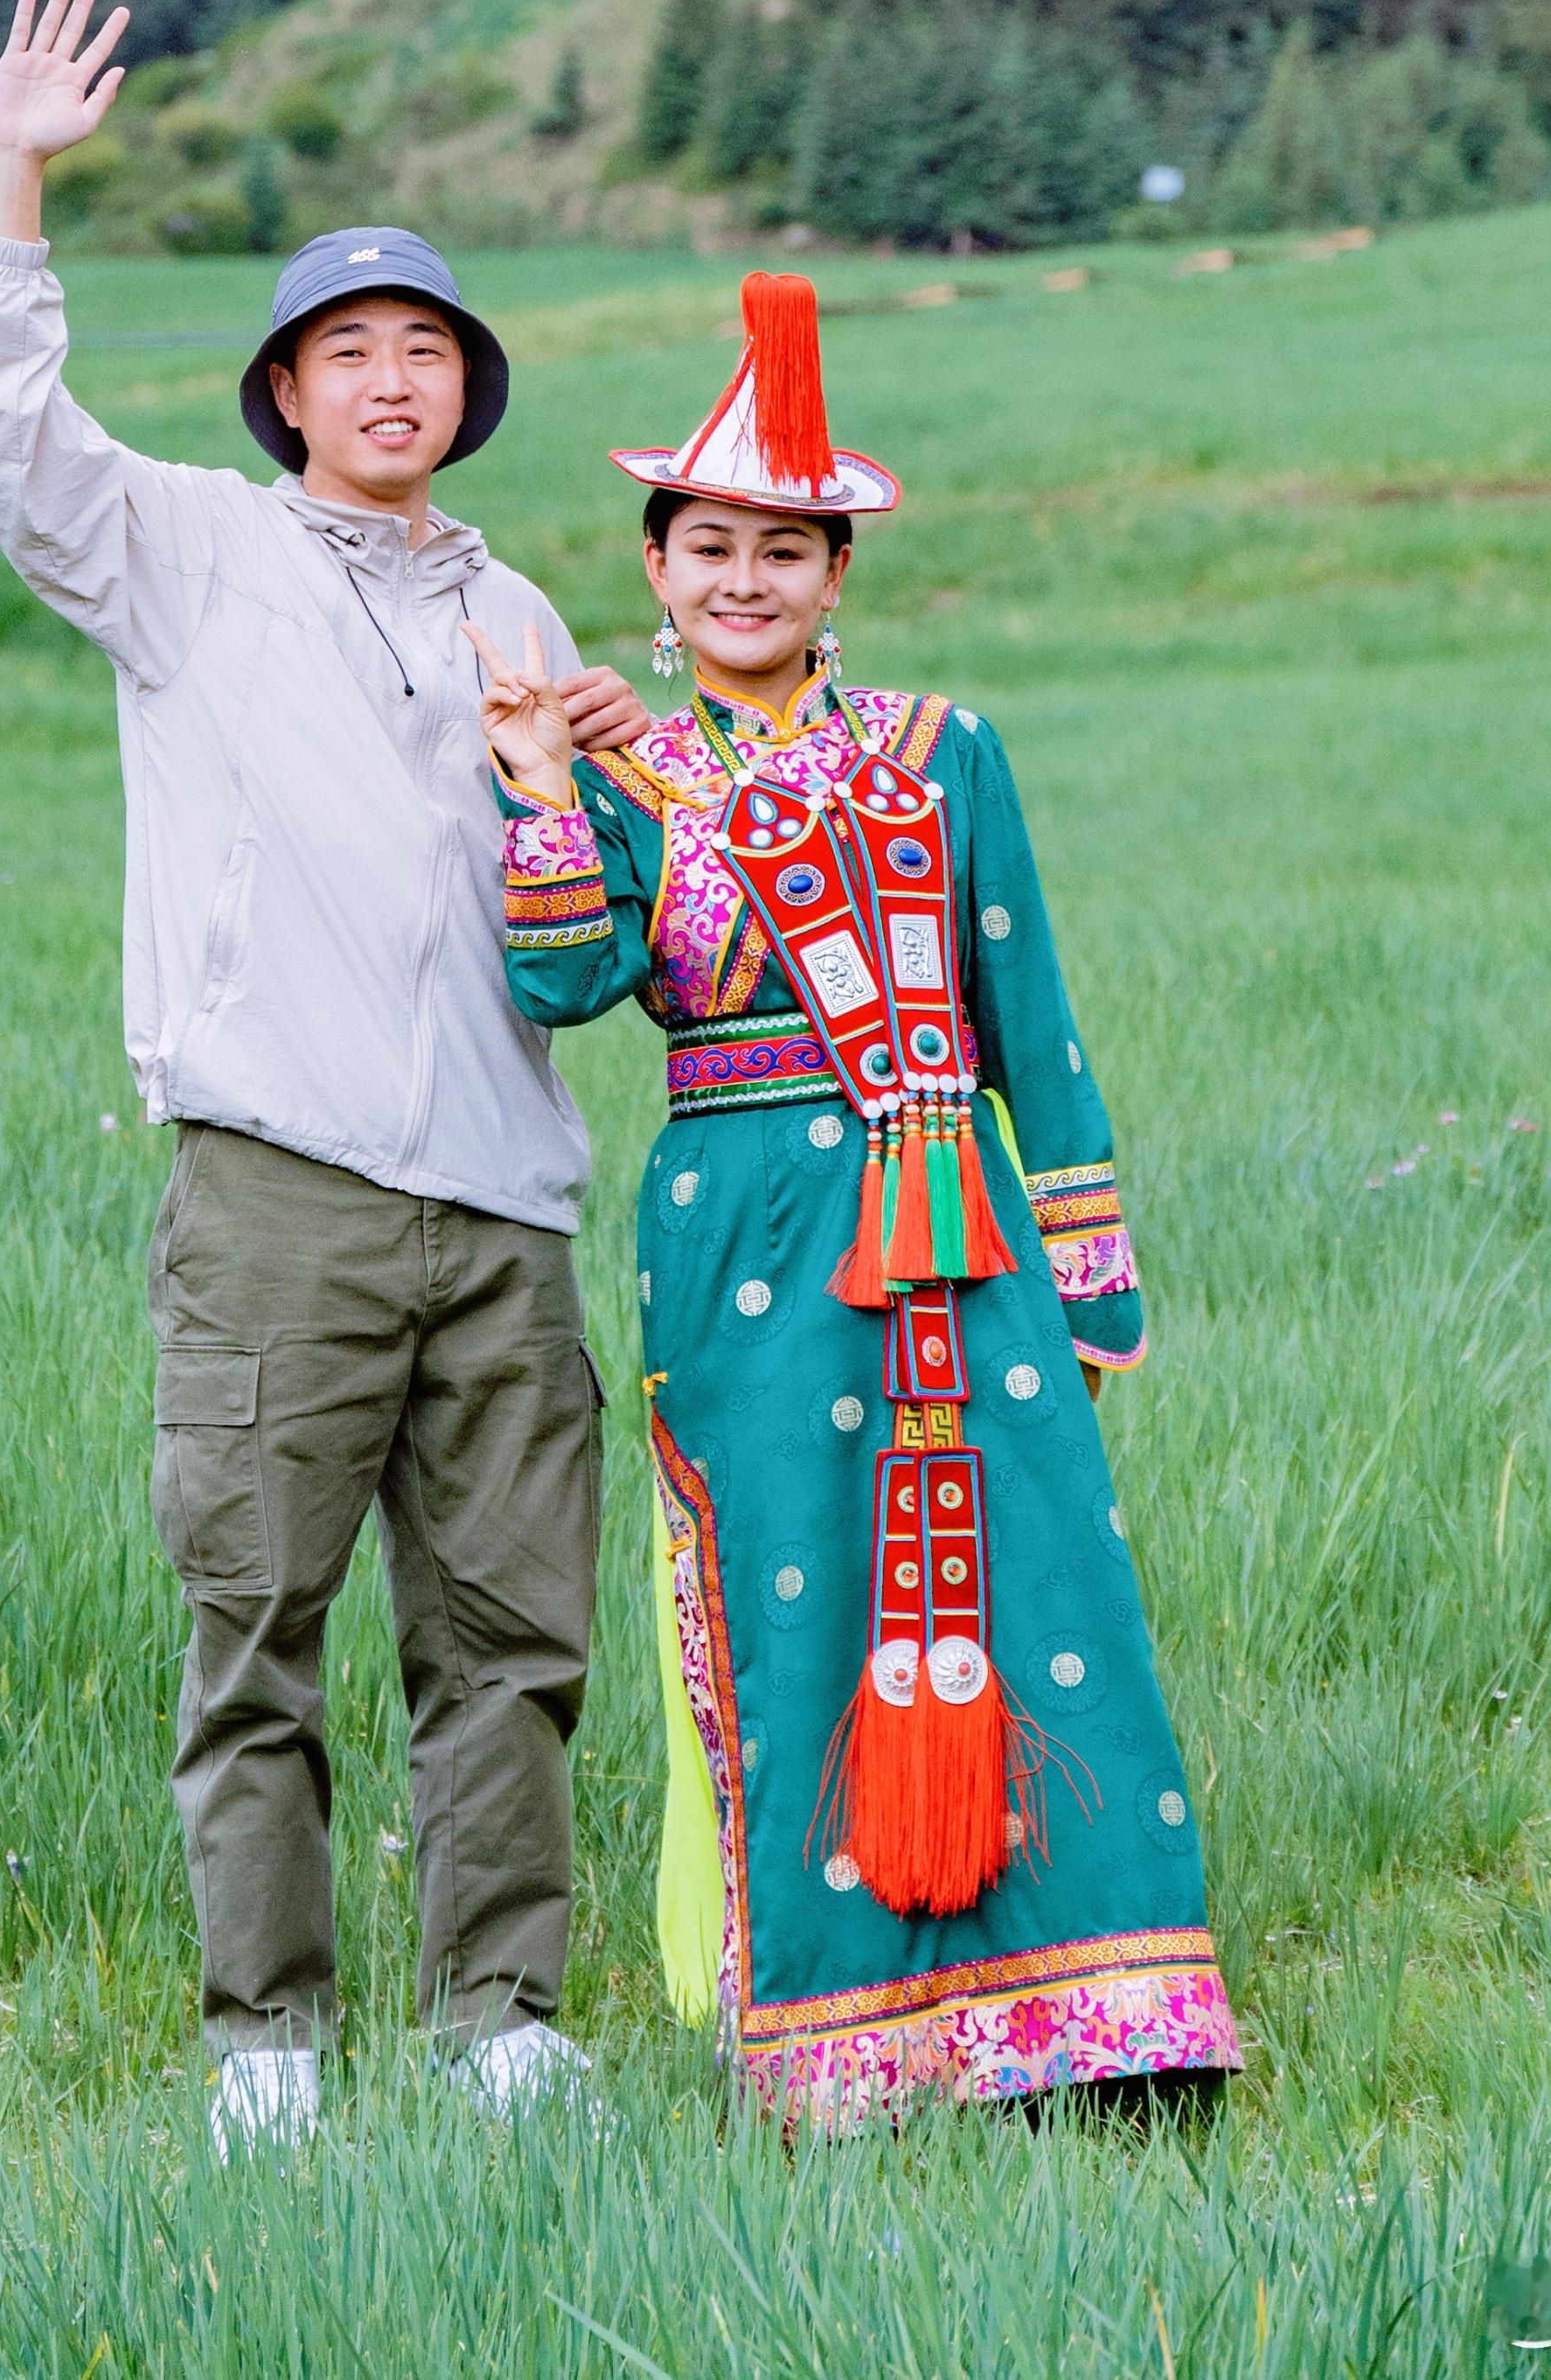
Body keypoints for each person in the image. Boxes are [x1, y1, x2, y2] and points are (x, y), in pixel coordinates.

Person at [0, 0, 650, 2154]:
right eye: (352, 354)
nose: (394, 381)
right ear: (284, 393)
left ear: (469, 391)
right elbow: (0, 431)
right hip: (282, 1191)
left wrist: (600, 787)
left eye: (428, 351)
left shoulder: (523, 614)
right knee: (257, 1627)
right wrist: (19, 168)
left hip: (505, 1196)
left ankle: (503, 2013)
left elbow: (587, 937)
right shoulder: (188, 552)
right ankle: (269, 2045)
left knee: (512, 1635)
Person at [469, 270, 1240, 2126]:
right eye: (710, 545)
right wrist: (539, 790)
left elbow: (1024, 1010)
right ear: (655, 571)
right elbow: (568, 984)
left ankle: (1100, 2022)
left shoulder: (945, 749)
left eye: (786, 548)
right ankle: (839, 2046)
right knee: (788, 1590)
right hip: (745, 1225)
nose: (746, 579)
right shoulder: (624, 775)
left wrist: (1085, 1262)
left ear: (839, 576)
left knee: (1037, 1576)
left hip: (953, 1220)